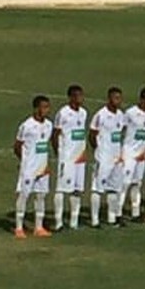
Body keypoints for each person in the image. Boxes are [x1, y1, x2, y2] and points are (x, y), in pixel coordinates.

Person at [13, 95, 54, 239]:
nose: (47, 110)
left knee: (41, 196)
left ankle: (38, 227)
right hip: (29, 168)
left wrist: (46, 164)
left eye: (48, 107)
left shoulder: (49, 125)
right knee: (24, 195)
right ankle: (18, 227)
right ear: (36, 108)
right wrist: (25, 161)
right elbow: (17, 146)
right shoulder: (27, 126)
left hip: (42, 168)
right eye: (44, 107)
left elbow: (44, 146)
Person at [51, 85, 87, 232]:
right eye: (78, 96)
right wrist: (58, 153)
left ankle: (74, 221)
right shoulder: (63, 113)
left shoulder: (83, 113)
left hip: (80, 157)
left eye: (82, 95)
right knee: (61, 189)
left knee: (77, 190)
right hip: (67, 157)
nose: (81, 98)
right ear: (71, 97)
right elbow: (55, 134)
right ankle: (58, 222)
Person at [89, 87, 126, 228]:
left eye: (120, 98)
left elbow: (120, 133)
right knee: (98, 188)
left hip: (116, 158)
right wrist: (99, 151)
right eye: (116, 98)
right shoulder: (101, 115)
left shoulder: (120, 115)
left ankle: (112, 218)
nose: (118, 101)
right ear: (109, 98)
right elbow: (92, 135)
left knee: (114, 188)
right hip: (104, 158)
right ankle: (95, 220)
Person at [119, 87, 145, 221]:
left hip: (141, 155)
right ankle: (117, 212)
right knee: (124, 184)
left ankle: (135, 212)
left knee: (137, 184)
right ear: (142, 99)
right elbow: (121, 129)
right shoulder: (131, 113)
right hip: (129, 153)